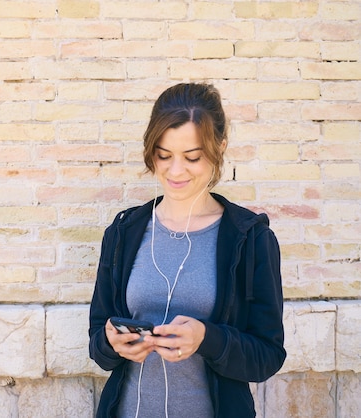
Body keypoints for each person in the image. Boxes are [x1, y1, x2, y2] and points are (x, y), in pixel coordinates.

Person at [88, 83, 286, 418]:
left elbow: (267, 357)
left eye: (192, 157)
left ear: (219, 147)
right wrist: (111, 343)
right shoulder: (123, 233)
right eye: (163, 155)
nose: (175, 171)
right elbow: (97, 340)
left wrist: (207, 339)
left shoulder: (249, 238)